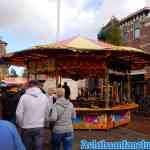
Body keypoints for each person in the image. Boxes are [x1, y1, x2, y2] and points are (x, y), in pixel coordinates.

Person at [16, 80, 50, 150]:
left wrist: (21, 123)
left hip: (26, 126)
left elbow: (18, 113)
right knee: (38, 147)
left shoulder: (24, 97)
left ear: (29, 86)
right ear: (38, 86)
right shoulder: (44, 97)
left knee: (26, 146)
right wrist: (45, 121)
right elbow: (47, 111)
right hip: (39, 125)